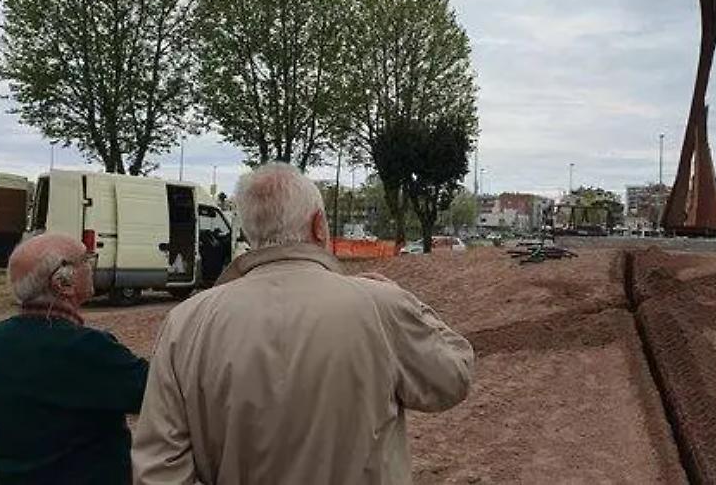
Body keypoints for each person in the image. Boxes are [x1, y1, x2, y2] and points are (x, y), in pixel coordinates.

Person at [133, 162, 474, 484]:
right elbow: (453, 377)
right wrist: (405, 300)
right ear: (319, 226)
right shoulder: (381, 305)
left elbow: (159, 469)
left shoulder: (186, 322)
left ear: (251, 232)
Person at [0, 233, 149, 485]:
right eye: (86, 259)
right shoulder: (90, 350)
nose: (92, 265)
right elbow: (167, 397)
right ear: (63, 282)